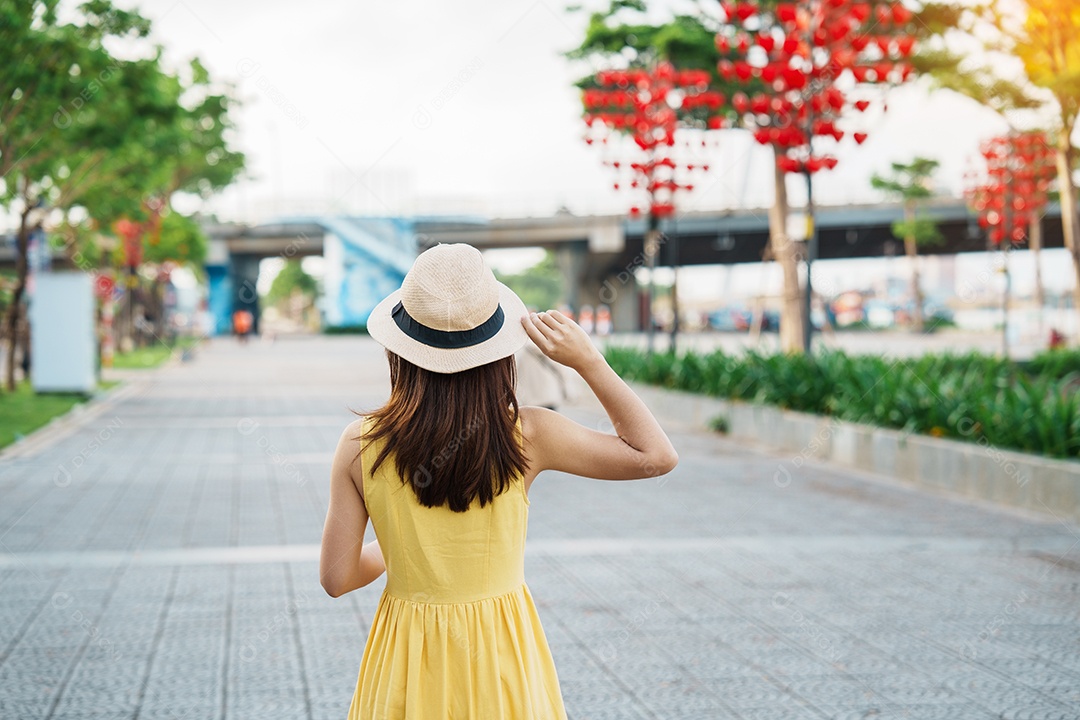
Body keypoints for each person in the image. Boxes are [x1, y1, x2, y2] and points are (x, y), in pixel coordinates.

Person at [319, 243, 678, 719]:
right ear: (498, 349)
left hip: (406, 662)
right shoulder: (530, 434)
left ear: (399, 349)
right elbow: (655, 456)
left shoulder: (360, 444)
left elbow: (337, 578)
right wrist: (589, 361)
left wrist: (399, 546)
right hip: (501, 655)